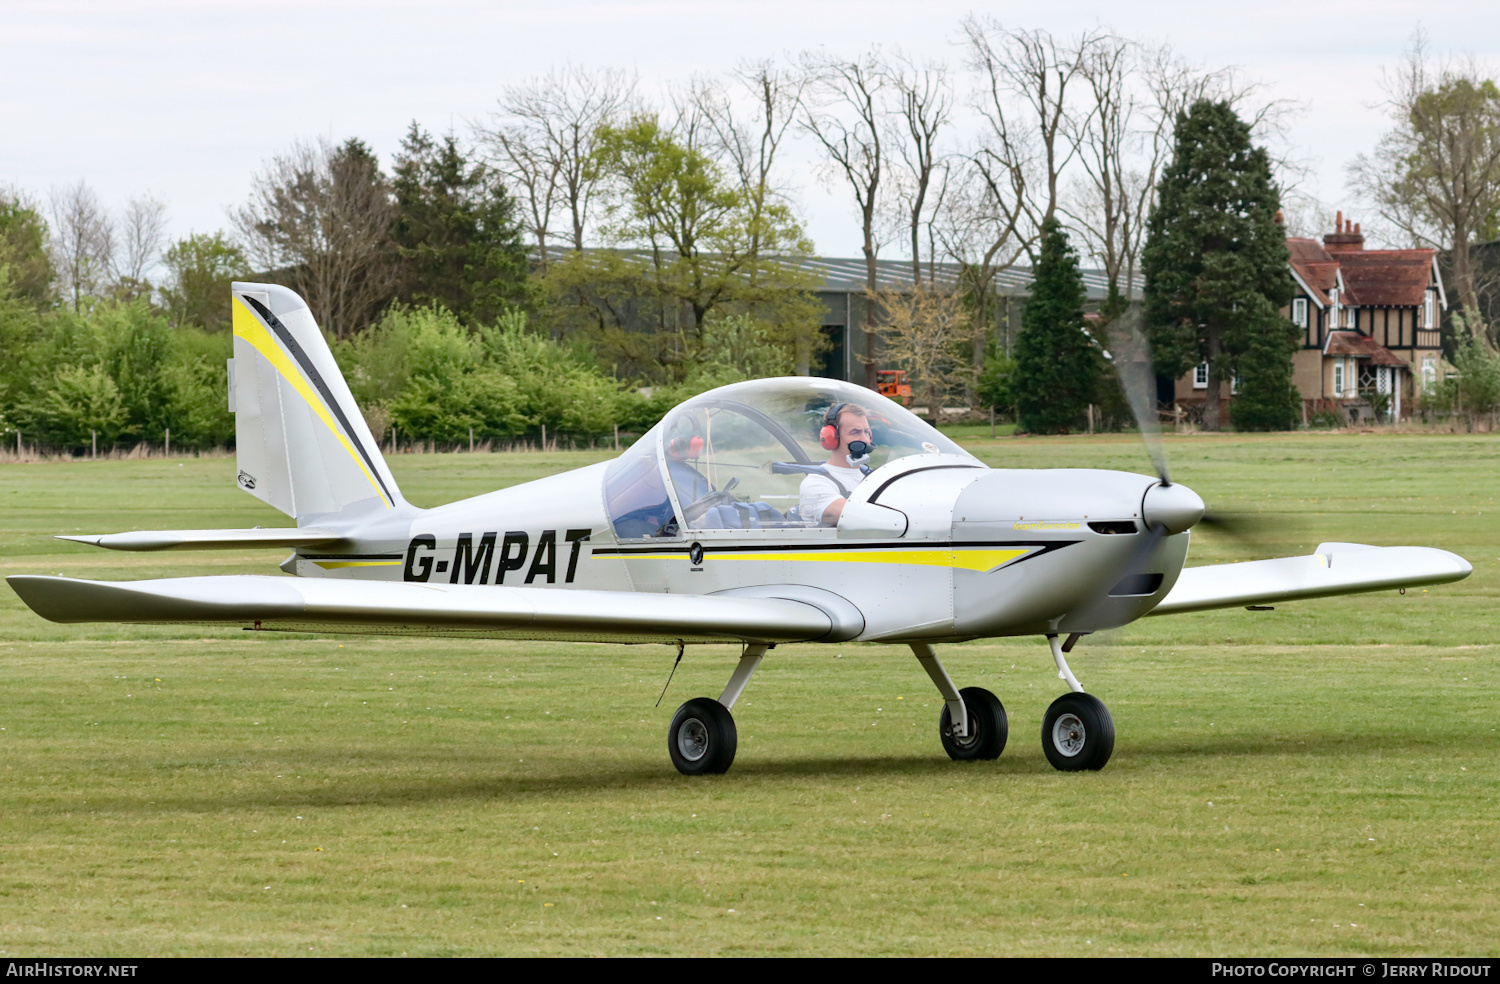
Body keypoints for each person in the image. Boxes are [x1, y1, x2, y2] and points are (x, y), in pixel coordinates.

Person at [800, 403, 874, 526]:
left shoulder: (873, 476)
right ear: (832, 437)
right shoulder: (815, 483)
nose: (865, 440)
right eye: (855, 432)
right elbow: (856, 515)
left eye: (866, 432)